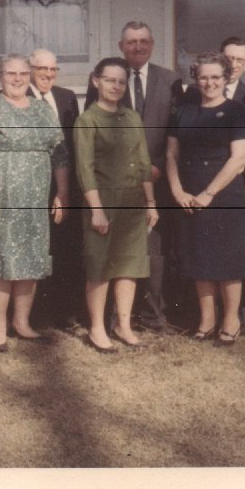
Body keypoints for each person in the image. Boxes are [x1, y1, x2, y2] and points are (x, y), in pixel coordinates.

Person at [0, 54, 69, 352]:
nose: (18, 78)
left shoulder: (42, 110)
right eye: (11, 73)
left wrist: (63, 194)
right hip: (0, 196)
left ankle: (22, 323)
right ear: (0, 76)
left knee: (31, 259)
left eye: (24, 73)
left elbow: (60, 154)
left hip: (36, 197)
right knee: (1, 261)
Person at [85, 21, 180, 331]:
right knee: (114, 254)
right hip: (115, 183)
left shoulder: (170, 79)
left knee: (152, 253)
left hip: (160, 178)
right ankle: (111, 320)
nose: (137, 46)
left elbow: (176, 129)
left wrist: (157, 168)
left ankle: (153, 315)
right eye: (130, 42)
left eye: (143, 41)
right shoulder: (110, 77)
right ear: (120, 45)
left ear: (152, 44)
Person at [166, 52, 245, 346]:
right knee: (198, 256)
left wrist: (209, 193)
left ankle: (231, 320)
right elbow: (171, 154)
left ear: (226, 78)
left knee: (228, 259)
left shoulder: (236, 111)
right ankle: (207, 319)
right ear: (196, 78)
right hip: (189, 194)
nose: (209, 82)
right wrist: (177, 190)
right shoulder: (184, 112)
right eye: (204, 77)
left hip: (224, 194)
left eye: (216, 77)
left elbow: (239, 158)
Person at [75, 57, 159, 353]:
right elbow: (84, 169)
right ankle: (97, 328)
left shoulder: (132, 117)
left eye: (121, 82)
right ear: (96, 81)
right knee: (100, 267)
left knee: (128, 266)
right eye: (110, 80)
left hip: (133, 201)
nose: (116, 86)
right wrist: (96, 210)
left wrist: (151, 202)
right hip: (103, 202)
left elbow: (144, 162)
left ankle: (124, 325)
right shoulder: (88, 119)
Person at [27, 48, 82, 328]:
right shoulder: (18, 98)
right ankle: (36, 314)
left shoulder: (66, 98)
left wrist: (66, 190)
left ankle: (63, 312)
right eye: (41, 69)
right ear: (30, 69)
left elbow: (72, 145)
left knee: (62, 248)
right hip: (32, 186)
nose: (48, 75)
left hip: (62, 186)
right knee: (36, 249)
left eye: (52, 70)